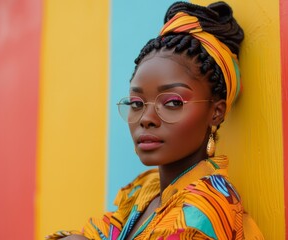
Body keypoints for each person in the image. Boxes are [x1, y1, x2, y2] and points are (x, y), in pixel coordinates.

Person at [46, 1, 263, 239]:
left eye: (172, 103)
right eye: (137, 104)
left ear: (216, 112)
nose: (146, 119)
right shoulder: (145, 192)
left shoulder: (203, 209)